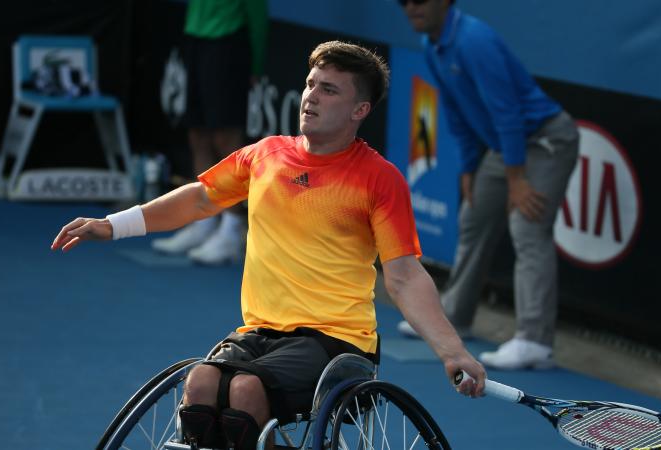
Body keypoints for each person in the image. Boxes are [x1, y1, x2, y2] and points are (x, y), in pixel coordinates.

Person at [51, 41, 485, 450]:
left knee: (244, 390)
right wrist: (113, 225)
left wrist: (452, 352)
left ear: (360, 110)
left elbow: (405, 276)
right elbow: (201, 198)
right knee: (201, 385)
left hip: (336, 340)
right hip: (259, 333)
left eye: (329, 89)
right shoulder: (266, 155)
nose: (311, 96)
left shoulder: (379, 178)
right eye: (311, 84)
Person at [396, 0, 580, 370]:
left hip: (544, 141)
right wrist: (468, 168)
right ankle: (453, 317)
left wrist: (516, 179)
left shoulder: (473, 40)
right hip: (503, 146)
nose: (411, 7)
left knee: (528, 227)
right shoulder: (433, 45)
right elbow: (455, 110)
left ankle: (535, 342)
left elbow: (508, 111)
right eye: (404, 2)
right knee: (473, 217)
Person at [152, 0, 268, 265]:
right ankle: (204, 219)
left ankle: (232, 228)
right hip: (196, 38)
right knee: (198, 134)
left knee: (225, 137)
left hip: (228, 41)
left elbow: (258, 12)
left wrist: (256, 63)